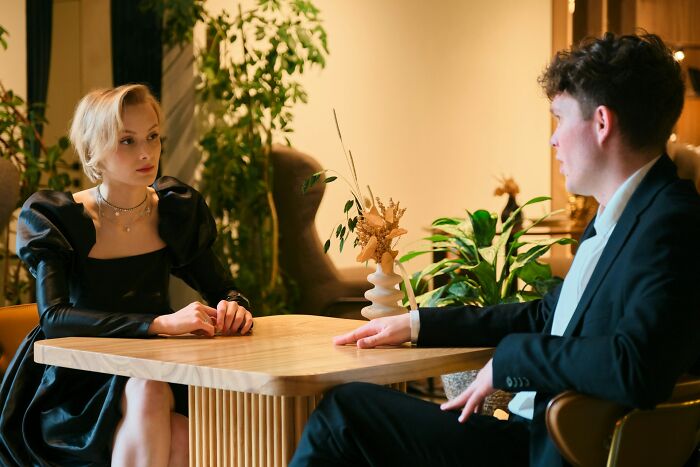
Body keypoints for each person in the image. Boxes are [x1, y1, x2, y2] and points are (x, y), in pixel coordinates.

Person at [289, 33, 700, 467]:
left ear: (601, 123)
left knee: (345, 415)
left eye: (559, 119)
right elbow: (547, 317)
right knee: (350, 413)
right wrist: (416, 323)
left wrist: (513, 359)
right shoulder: (621, 215)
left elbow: (638, 367)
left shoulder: (672, 223)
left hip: (551, 451)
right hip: (530, 437)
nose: (553, 141)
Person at [0, 84, 254, 467]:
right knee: (167, 417)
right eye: (127, 141)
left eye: (152, 136)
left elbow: (226, 290)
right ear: (93, 152)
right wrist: (159, 324)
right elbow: (54, 319)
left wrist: (234, 306)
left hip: (156, 367)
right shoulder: (59, 219)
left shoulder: (174, 210)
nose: (146, 152)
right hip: (80, 378)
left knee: (176, 425)